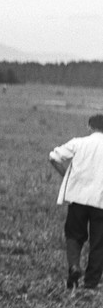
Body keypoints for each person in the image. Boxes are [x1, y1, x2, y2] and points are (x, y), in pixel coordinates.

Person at [49, 114, 103, 290]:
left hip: (78, 197)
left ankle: (74, 265)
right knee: (99, 241)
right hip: (101, 201)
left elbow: (54, 157)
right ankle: (91, 283)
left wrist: (66, 175)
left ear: (89, 127)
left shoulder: (79, 142)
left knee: (73, 234)